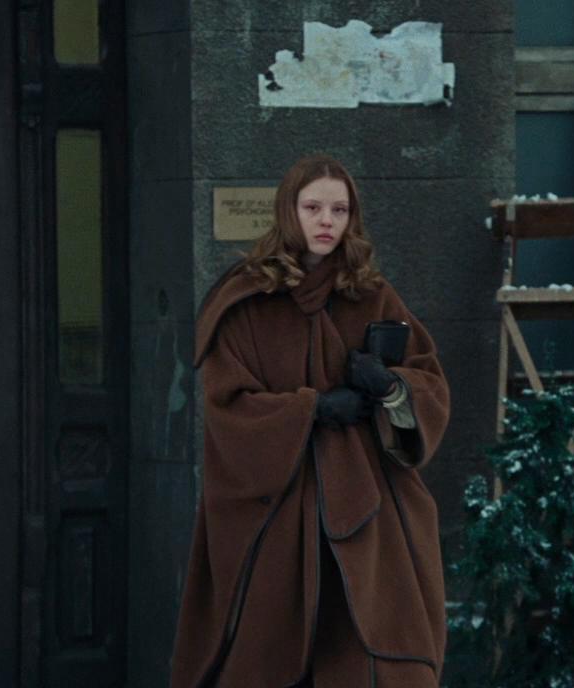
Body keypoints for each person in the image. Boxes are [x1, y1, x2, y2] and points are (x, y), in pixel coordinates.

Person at [169, 154, 451, 687]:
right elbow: (228, 405)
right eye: (313, 207)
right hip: (277, 507)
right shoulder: (247, 301)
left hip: (365, 503)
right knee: (267, 653)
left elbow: (429, 381)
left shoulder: (371, 294)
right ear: (288, 211)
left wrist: (390, 386)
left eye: (339, 210)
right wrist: (312, 409)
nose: (326, 221)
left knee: (376, 648)